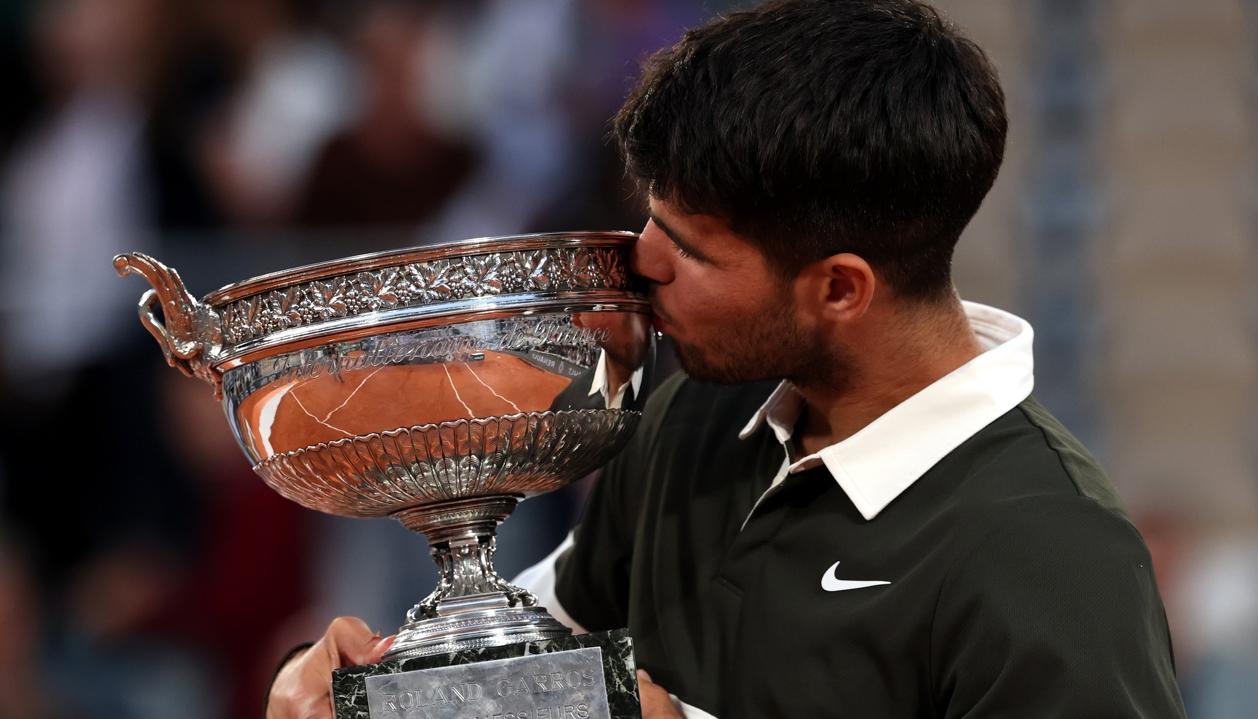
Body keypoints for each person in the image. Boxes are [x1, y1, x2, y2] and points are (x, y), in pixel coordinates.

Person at [268, 1, 1188, 717]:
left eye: (693, 248)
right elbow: (545, 651)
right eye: (651, 215)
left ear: (838, 288)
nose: (642, 259)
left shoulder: (1058, 557)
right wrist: (384, 680)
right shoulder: (689, 413)